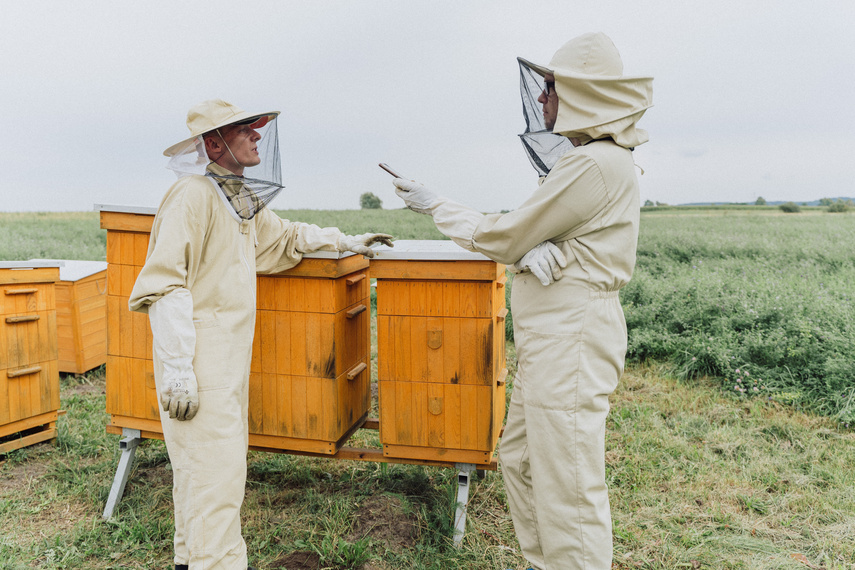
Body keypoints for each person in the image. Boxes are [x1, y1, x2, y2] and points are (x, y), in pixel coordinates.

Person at [391, 33, 652, 569]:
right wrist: (533, 247)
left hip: (572, 338)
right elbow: (533, 235)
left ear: (583, 93)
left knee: (568, 480)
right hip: (553, 338)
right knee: (522, 459)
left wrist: (438, 205)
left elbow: (509, 233)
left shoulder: (595, 163)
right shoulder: (593, 161)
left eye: (552, 87)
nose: (541, 99)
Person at [129, 99, 393, 570]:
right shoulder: (192, 195)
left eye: (257, 130)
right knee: (215, 480)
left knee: (201, 478)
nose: (257, 137)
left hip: (224, 364)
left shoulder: (237, 200)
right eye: (246, 130)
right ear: (214, 142)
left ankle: (190, 561)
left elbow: (286, 238)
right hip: (198, 364)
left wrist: (345, 241)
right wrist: (176, 370)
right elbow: (163, 285)